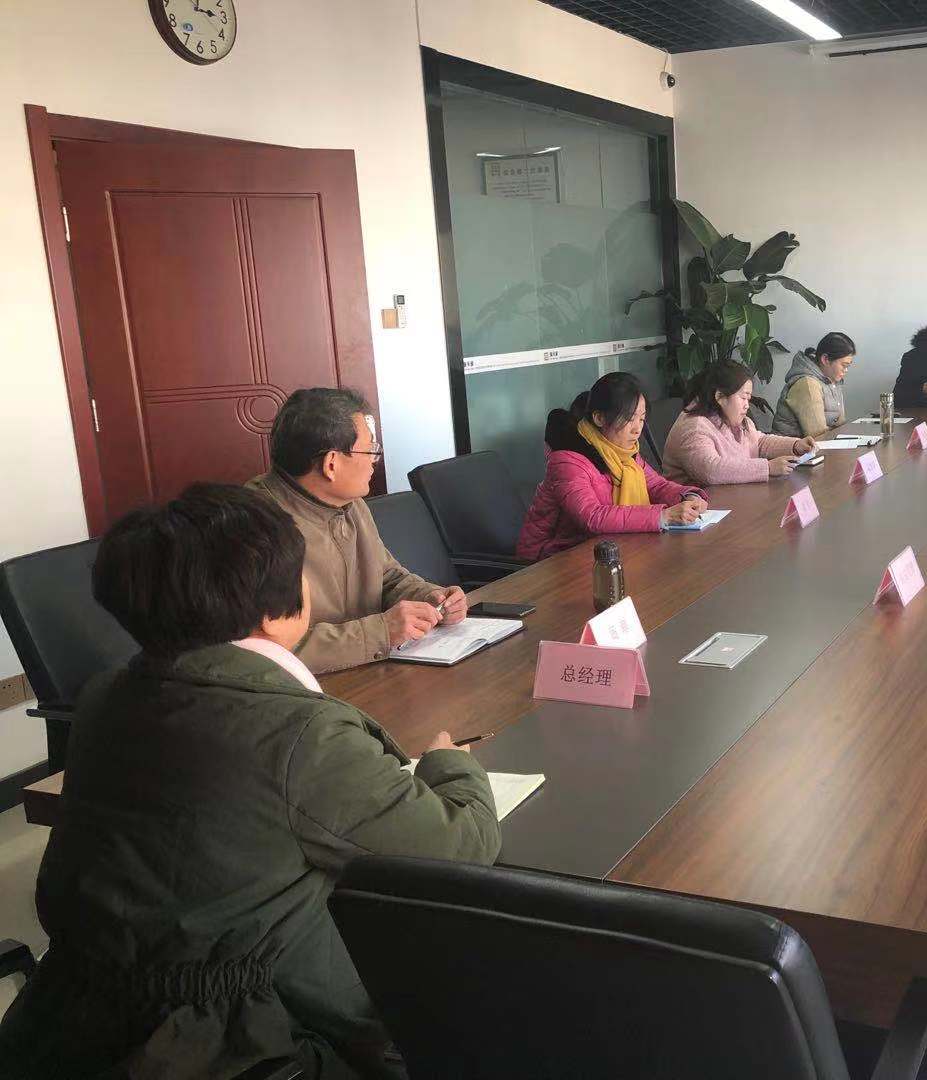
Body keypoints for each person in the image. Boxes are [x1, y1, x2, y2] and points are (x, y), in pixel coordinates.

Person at [0, 484, 501, 1079]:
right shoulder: (297, 732)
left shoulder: (106, 695)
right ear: (275, 610)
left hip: (71, 1021)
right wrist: (447, 764)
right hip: (242, 1041)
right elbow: (457, 848)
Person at [248, 387, 467, 674]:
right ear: (331, 464)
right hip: (304, 689)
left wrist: (431, 598)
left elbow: (386, 577)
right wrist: (380, 632)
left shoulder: (350, 504)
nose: (375, 460)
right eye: (369, 450)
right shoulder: (253, 527)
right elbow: (265, 649)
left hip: (372, 671)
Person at [516, 372, 708, 561]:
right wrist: (662, 516)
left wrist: (689, 496)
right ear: (599, 418)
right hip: (551, 561)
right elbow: (592, 516)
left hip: (605, 551)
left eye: (641, 419)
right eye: (629, 419)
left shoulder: (625, 455)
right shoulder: (567, 462)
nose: (637, 429)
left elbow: (657, 486)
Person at [662, 360, 816, 486]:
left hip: (733, 498)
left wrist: (795, 445)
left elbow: (759, 442)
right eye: (743, 398)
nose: (747, 405)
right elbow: (711, 470)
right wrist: (767, 468)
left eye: (748, 399)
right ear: (720, 396)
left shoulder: (733, 418)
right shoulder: (694, 427)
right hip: (699, 508)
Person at [771, 332, 856, 439]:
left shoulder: (832, 380)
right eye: (844, 365)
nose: (846, 370)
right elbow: (818, 436)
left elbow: (840, 425)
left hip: (820, 445)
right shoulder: (807, 384)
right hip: (792, 449)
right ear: (825, 359)